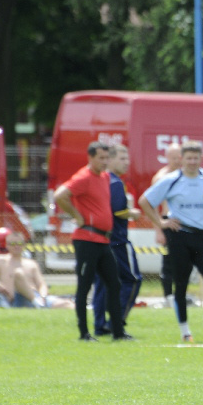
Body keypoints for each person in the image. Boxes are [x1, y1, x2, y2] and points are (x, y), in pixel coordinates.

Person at [138, 140, 203, 343]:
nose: (192, 162)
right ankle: (185, 332)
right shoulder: (171, 180)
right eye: (188, 158)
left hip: (202, 237)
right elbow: (145, 201)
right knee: (181, 284)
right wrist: (161, 222)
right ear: (182, 159)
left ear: (200, 158)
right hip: (179, 236)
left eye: (196, 158)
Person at [53, 141, 130, 341]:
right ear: (90, 158)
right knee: (85, 286)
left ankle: (118, 333)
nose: (105, 162)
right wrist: (76, 215)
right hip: (86, 239)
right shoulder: (83, 177)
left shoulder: (104, 177)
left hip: (103, 240)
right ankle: (84, 333)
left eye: (107, 158)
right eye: (101, 158)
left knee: (114, 284)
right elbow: (60, 195)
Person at [92, 144, 143, 336]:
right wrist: (133, 213)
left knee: (102, 283)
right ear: (110, 160)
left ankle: (100, 325)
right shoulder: (114, 182)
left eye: (127, 158)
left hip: (100, 240)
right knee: (133, 280)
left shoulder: (100, 180)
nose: (126, 162)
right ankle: (116, 322)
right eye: (122, 158)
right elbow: (117, 210)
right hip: (118, 241)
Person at [0, 231, 74, 309]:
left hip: (38, 297)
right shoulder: (1, 260)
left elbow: (41, 284)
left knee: (68, 304)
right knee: (18, 273)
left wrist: (43, 296)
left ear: (24, 245)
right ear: (7, 245)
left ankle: (39, 304)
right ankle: (38, 304)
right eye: (12, 243)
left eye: (19, 243)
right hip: (17, 300)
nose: (16, 246)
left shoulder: (31, 263)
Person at [151, 143, 183, 307]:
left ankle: (180, 295)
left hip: (184, 222)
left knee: (183, 262)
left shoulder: (185, 174)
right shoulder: (161, 177)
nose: (177, 160)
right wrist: (159, 230)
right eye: (174, 157)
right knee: (168, 262)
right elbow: (153, 207)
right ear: (167, 157)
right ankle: (168, 296)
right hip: (167, 221)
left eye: (179, 157)